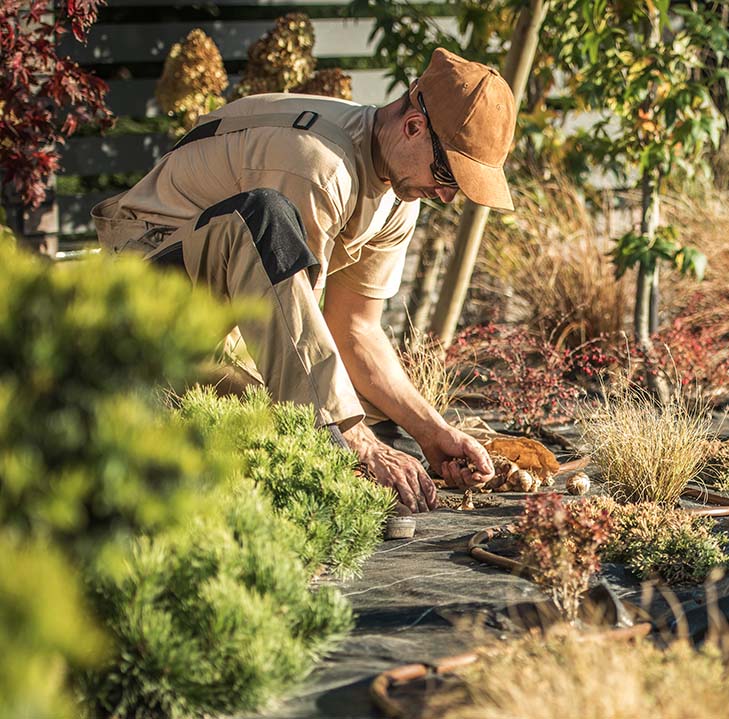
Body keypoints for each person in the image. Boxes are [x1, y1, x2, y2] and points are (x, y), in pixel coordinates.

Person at [91, 47, 511, 512]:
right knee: (331, 422)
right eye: (446, 174)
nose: (447, 197)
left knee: (363, 418)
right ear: (414, 126)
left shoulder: (398, 195)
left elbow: (354, 330)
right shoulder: (319, 166)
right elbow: (293, 340)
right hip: (145, 294)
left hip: (226, 321)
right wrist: (359, 443)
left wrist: (433, 433)